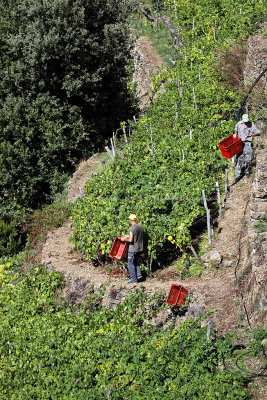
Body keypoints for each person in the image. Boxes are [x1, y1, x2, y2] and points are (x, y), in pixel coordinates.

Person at [233, 113, 260, 184]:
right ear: (242, 120)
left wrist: (251, 135)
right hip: (240, 143)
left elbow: (258, 133)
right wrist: (235, 134)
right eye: (244, 121)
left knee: (248, 159)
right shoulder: (239, 124)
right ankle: (237, 175)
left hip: (248, 143)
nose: (246, 122)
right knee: (239, 159)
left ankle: (247, 171)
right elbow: (236, 129)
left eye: (246, 121)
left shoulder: (251, 124)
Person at [120, 214, 143, 284]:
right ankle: (139, 275)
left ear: (131, 220)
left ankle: (133, 280)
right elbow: (136, 236)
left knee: (130, 264)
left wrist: (124, 239)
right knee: (135, 262)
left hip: (133, 249)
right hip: (140, 248)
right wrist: (128, 235)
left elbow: (130, 240)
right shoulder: (140, 227)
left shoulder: (132, 228)